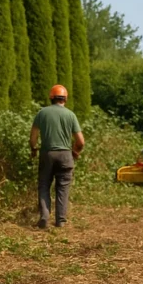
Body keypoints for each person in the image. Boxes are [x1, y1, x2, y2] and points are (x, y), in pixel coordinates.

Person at [30, 85, 84, 229]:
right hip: (65, 155)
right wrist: (75, 152)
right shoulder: (70, 115)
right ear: (65, 98)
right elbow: (81, 141)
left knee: (44, 185)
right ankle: (60, 220)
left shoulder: (42, 113)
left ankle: (44, 216)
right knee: (63, 187)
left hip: (47, 154)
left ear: (51, 98)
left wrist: (33, 149)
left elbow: (33, 137)